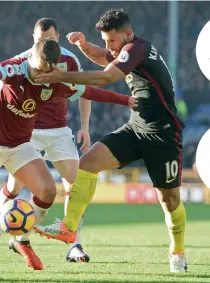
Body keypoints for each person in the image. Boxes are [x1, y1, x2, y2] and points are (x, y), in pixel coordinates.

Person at [0, 38, 137, 273]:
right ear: (30, 58)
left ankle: (20, 238)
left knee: (48, 192)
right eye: (39, 69)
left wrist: (126, 100)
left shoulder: (54, 80)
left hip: (18, 146)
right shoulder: (15, 69)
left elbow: (89, 91)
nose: (42, 75)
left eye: (47, 71)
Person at [33, 9, 187, 273]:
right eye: (105, 41)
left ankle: (177, 252)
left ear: (127, 35)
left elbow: (106, 76)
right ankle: (69, 229)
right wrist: (83, 45)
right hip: (136, 127)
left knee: (169, 200)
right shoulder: (124, 50)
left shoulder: (138, 48)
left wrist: (62, 77)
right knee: (88, 162)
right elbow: (100, 56)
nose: (109, 47)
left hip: (162, 134)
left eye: (112, 41)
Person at [0, 18, 92, 268]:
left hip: (59, 130)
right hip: (27, 132)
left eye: (51, 40)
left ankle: (74, 243)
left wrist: (85, 127)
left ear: (58, 37)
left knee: (77, 186)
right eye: (42, 40)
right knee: (13, 187)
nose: (46, 43)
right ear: (33, 37)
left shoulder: (70, 60)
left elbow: (85, 90)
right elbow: (0, 87)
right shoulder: (22, 61)